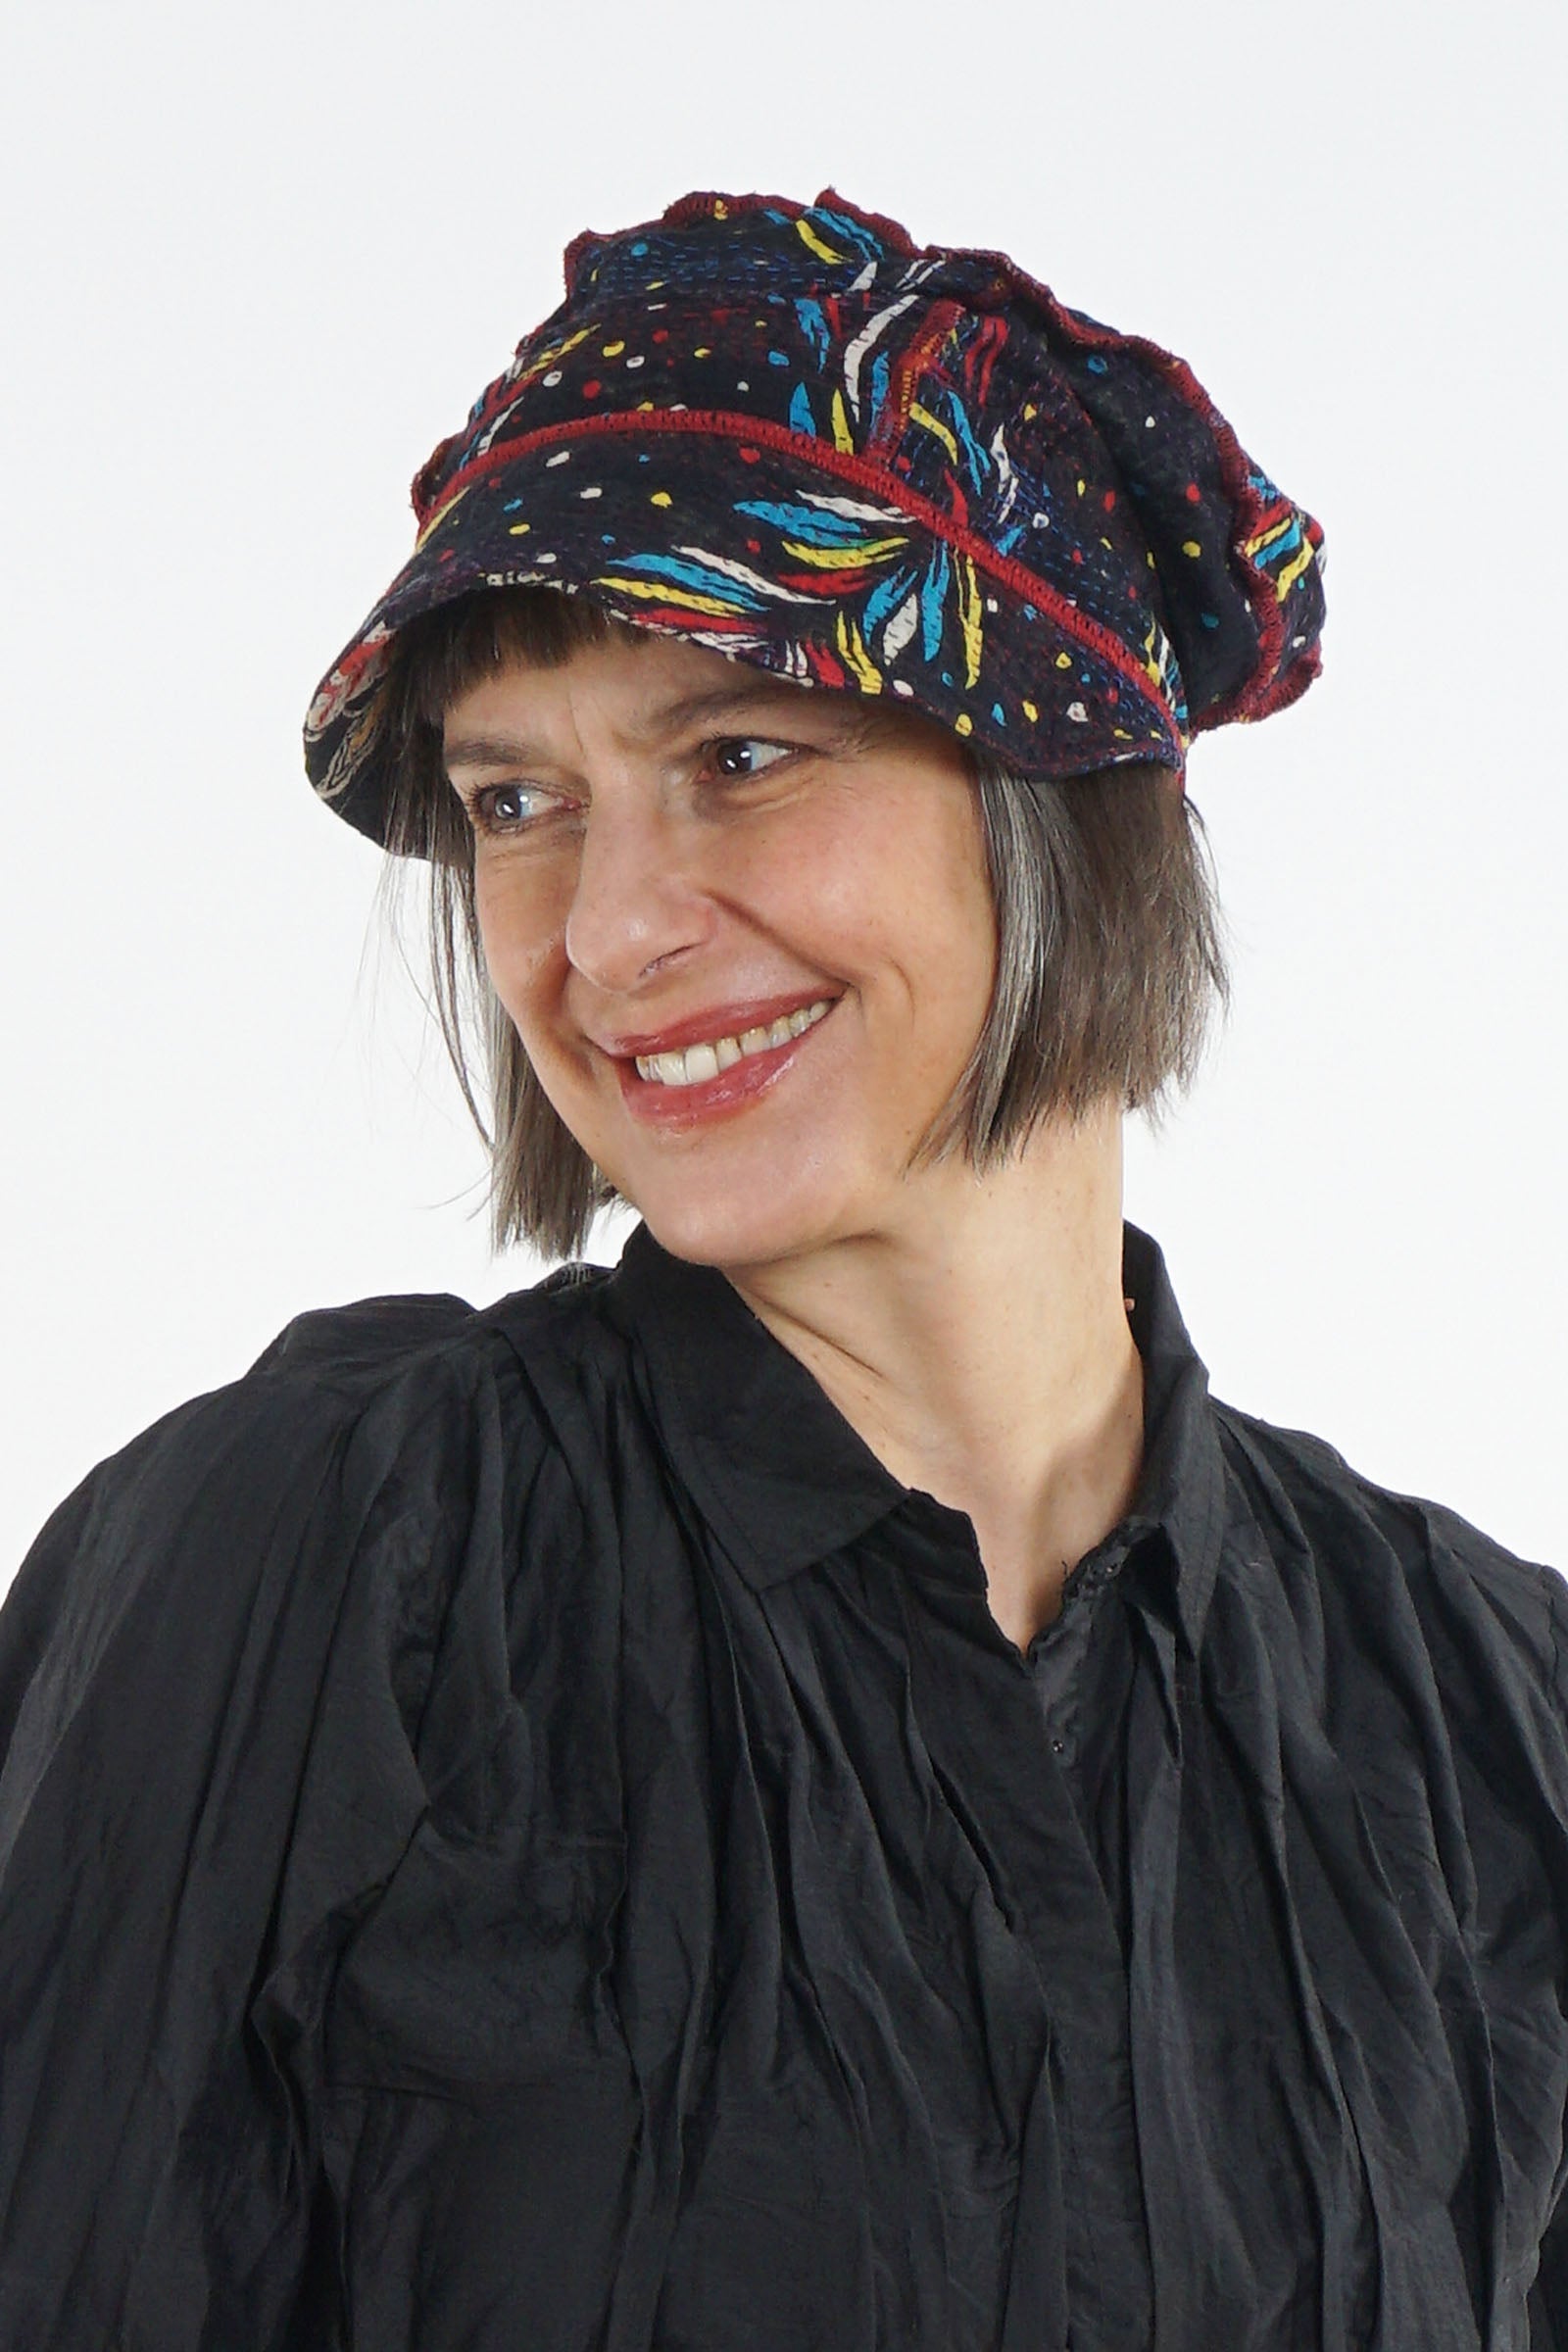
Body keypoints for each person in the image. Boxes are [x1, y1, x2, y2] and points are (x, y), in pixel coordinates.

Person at [0, 185, 1563, 2351]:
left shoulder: (1487, 1714)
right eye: (516, 803)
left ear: (1057, 792)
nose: (603, 933)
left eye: (739, 758)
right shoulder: (324, 1569)